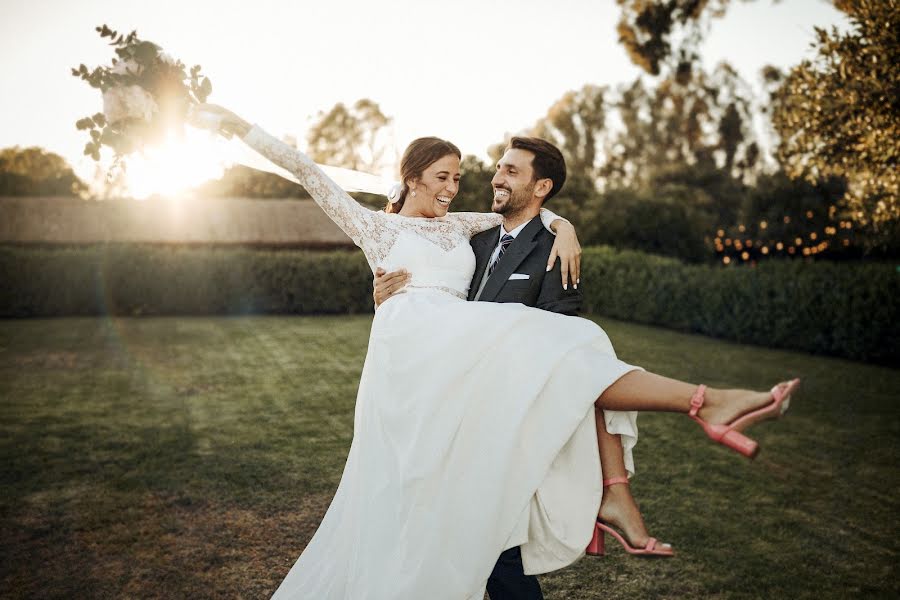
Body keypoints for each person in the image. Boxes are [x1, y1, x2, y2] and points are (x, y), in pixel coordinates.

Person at [194, 103, 799, 600]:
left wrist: (566, 226)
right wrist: (232, 126)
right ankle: (702, 406)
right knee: (564, 344)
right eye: (442, 179)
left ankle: (702, 406)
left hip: (462, 347)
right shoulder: (374, 227)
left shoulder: (462, 226)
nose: (454, 191)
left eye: (459, 178)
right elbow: (304, 169)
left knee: (573, 344)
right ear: (411, 179)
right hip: (414, 354)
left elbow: (529, 208)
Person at [371, 135, 670, 600]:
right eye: (499, 167)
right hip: (450, 401)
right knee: (478, 541)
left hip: (504, 413)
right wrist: (386, 301)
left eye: (511, 170)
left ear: (542, 184)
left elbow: (559, 340)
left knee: (491, 543)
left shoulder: (554, 249)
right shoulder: (476, 235)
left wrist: (561, 226)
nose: (495, 177)